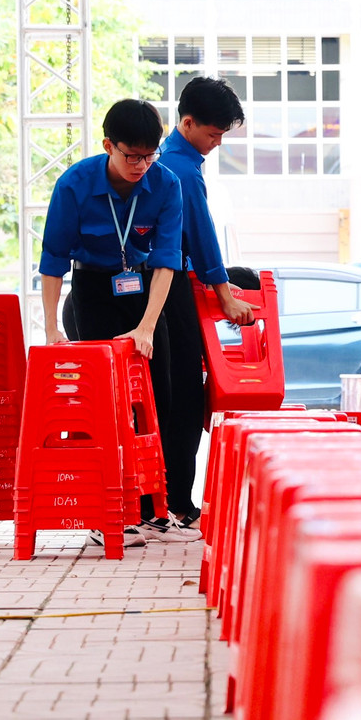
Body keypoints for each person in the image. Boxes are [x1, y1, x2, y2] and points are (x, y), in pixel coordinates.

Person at [38, 98, 198, 545]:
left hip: (144, 294)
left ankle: (151, 508)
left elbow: (167, 261)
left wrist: (148, 327)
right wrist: (52, 330)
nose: (141, 165)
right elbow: (53, 263)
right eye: (132, 155)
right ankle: (104, 512)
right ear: (109, 145)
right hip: (92, 294)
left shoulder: (165, 183)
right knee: (106, 406)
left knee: (157, 400)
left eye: (150, 155)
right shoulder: (74, 185)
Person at [157, 77, 255, 530]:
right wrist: (224, 293)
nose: (217, 144)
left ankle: (164, 500)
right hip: (170, 282)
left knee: (166, 394)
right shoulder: (181, 167)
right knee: (182, 397)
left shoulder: (172, 159)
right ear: (188, 122)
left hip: (162, 280)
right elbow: (200, 236)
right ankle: (176, 500)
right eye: (213, 135)